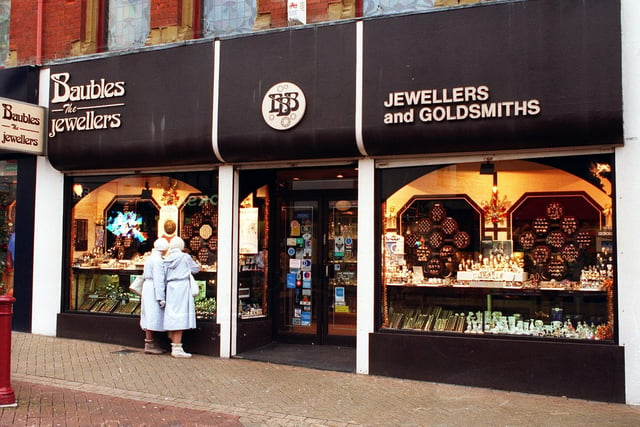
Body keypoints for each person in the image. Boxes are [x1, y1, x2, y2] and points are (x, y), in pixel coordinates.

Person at [162, 236, 200, 358]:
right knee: (181, 316)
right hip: (182, 287)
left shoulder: (167, 259)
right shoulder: (185, 257)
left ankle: (174, 344)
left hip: (171, 288)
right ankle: (177, 347)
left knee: (173, 315)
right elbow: (196, 269)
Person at [139, 237, 170, 354]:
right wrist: (161, 297)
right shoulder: (158, 261)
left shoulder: (150, 258)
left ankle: (150, 341)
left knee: (148, 314)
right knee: (153, 315)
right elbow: (159, 280)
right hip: (153, 289)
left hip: (147, 287)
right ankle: (150, 343)